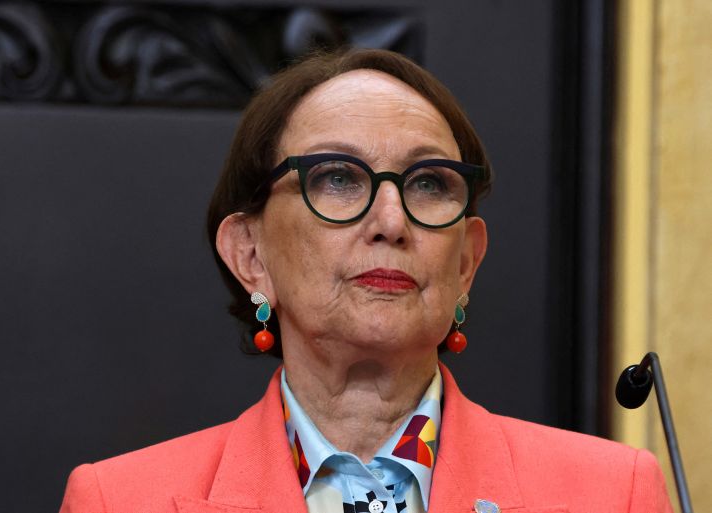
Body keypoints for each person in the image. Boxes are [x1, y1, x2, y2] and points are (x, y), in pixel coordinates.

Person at [59, 48, 673, 513]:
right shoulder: (118, 499)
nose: (391, 221)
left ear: (465, 264)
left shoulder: (612, 493)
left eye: (429, 183)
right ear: (250, 255)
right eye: (337, 178)